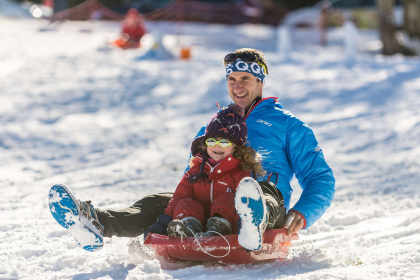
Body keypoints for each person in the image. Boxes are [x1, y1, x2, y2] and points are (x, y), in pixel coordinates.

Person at [48, 48, 335, 252]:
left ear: (260, 82)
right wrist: (164, 218)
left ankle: (253, 222)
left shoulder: (289, 126)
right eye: (232, 80)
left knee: (260, 193)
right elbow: (192, 175)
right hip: (213, 208)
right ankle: (95, 222)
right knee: (158, 201)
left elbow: (320, 178)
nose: (237, 87)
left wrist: (302, 212)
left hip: (261, 203)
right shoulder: (211, 129)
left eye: (245, 79)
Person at [147, 104, 266, 239]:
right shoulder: (195, 172)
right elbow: (178, 197)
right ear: (205, 144)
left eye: (224, 142)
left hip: (228, 227)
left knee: (227, 199)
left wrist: (245, 227)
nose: (217, 145)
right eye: (211, 141)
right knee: (185, 203)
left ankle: (218, 227)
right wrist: (163, 222)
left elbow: (247, 202)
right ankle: (187, 229)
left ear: (236, 147)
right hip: (197, 222)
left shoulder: (240, 173)